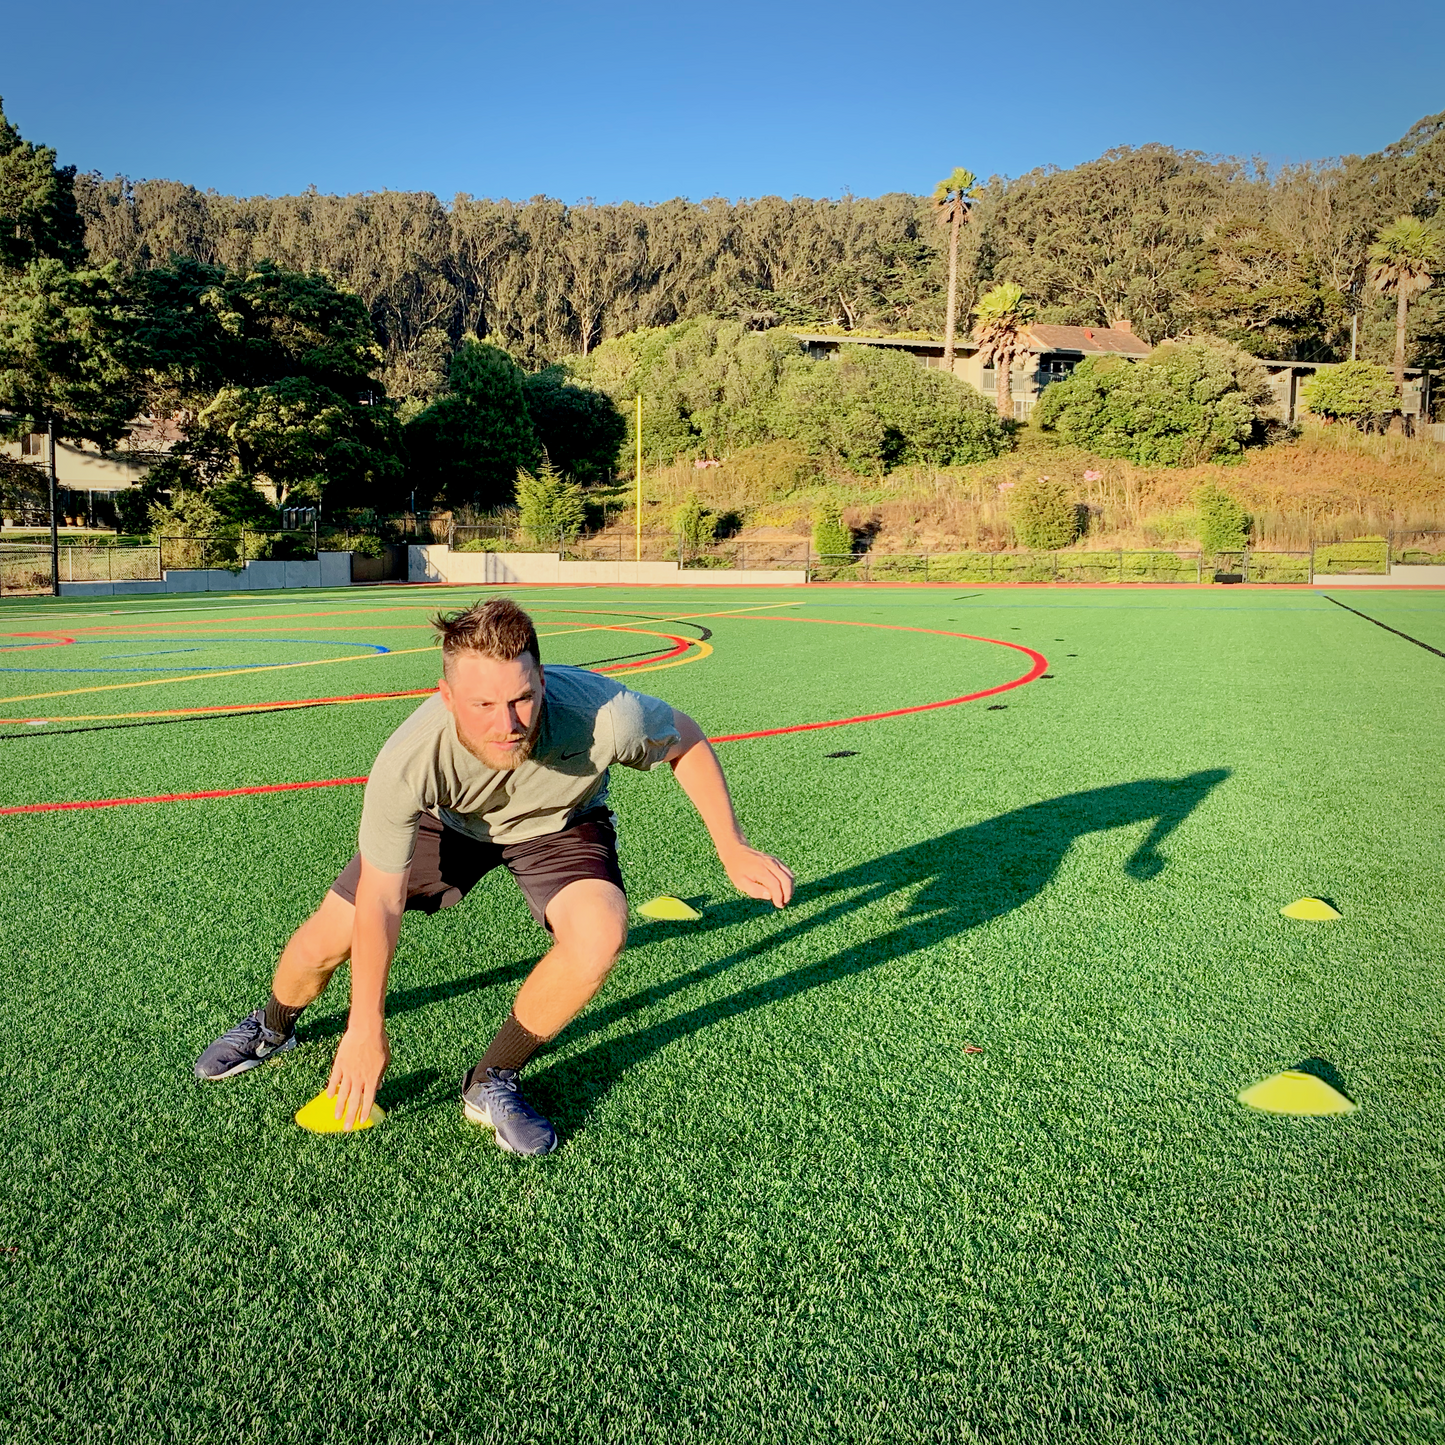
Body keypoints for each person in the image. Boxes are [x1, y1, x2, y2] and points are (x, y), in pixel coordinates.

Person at [195, 596, 794, 1154]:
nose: (507, 722)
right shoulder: (410, 759)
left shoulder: (607, 717)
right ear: (448, 696)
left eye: (522, 698)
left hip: (560, 824)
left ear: (541, 680)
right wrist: (364, 1026)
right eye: (482, 704)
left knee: (599, 935)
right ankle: (273, 1027)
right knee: (328, 938)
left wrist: (732, 847)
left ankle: (492, 1079)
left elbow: (684, 739)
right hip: (450, 823)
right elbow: (381, 899)